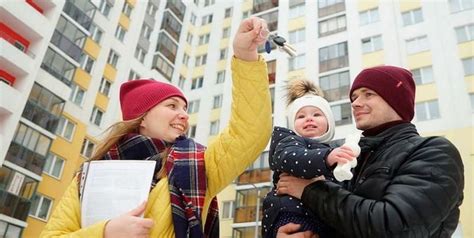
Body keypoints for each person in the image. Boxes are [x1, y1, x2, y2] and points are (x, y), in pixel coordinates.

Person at [40, 17, 273, 238]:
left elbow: (250, 132)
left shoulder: (199, 163)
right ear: (142, 118)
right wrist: (105, 232)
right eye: (172, 105)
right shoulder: (89, 176)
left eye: (184, 108)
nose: (183, 114)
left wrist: (245, 55)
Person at [276, 65, 464, 237]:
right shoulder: (353, 158)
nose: (356, 103)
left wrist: (310, 190)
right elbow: (341, 221)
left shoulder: (434, 152)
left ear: (395, 99)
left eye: (368, 94)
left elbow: (395, 228)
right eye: (354, 97)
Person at [262, 79, 355, 238]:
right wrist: (326, 158)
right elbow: (291, 158)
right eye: (301, 116)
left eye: (317, 114)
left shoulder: (333, 151)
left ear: (329, 123)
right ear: (292, 124)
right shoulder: (289, 141)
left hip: (323, 216)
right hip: (293, 214)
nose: (309, 119)